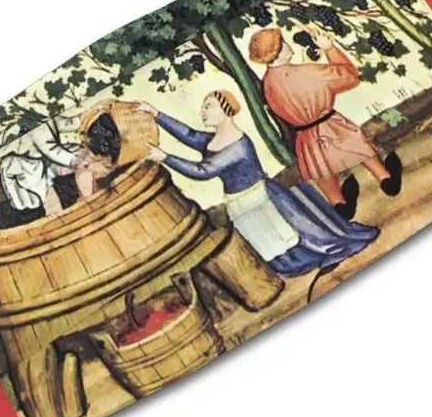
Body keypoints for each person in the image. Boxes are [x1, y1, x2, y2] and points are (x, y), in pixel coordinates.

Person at [141, 91, 377, 277]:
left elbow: (203, 171)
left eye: (208, 106)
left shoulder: (237, 145)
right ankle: (294, 264)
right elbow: (190, 135)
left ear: (226, 110)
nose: (202, 111)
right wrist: (157, 115)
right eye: (203, 107)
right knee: (266, 241)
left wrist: (166, 157)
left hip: (259, 197)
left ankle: (312, 256)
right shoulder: (214, 140)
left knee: (284, 234)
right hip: (239, 202)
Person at [248, 26, 402, 220]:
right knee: (358, 147)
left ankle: (339, 203)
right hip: (329, 123)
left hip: (305, 135)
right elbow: (349, 77)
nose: (288, 44)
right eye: (283, 43)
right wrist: (329, 48)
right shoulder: (306, 72)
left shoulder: (268, 84)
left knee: (320, 168)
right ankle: (385, 178)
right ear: (278, 53)